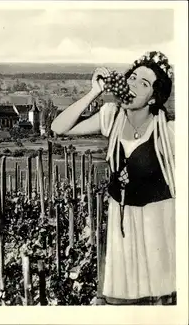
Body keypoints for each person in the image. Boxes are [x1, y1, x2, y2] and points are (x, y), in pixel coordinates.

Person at [51, 51, 175, 305]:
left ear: (153, 98)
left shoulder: (168, 130)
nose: (132, 84)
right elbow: (58, 127)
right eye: (132, 77)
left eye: (144, 83)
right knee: (122, 300)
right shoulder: (112, 116)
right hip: (122, 222)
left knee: (158, 299)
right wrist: (94, 92)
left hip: (157, 221)